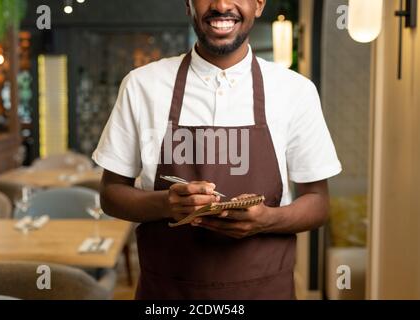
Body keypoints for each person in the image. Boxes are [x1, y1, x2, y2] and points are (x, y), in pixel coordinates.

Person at [93, 0, 341, 299]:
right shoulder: (141, 85)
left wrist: (266, 220)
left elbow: (318, 202)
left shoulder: (295, 91)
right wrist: (166, 204)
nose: (222, 5)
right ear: (189, 5)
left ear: (259, 4)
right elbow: (110, 195)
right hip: (168, 295)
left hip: (264, 292)